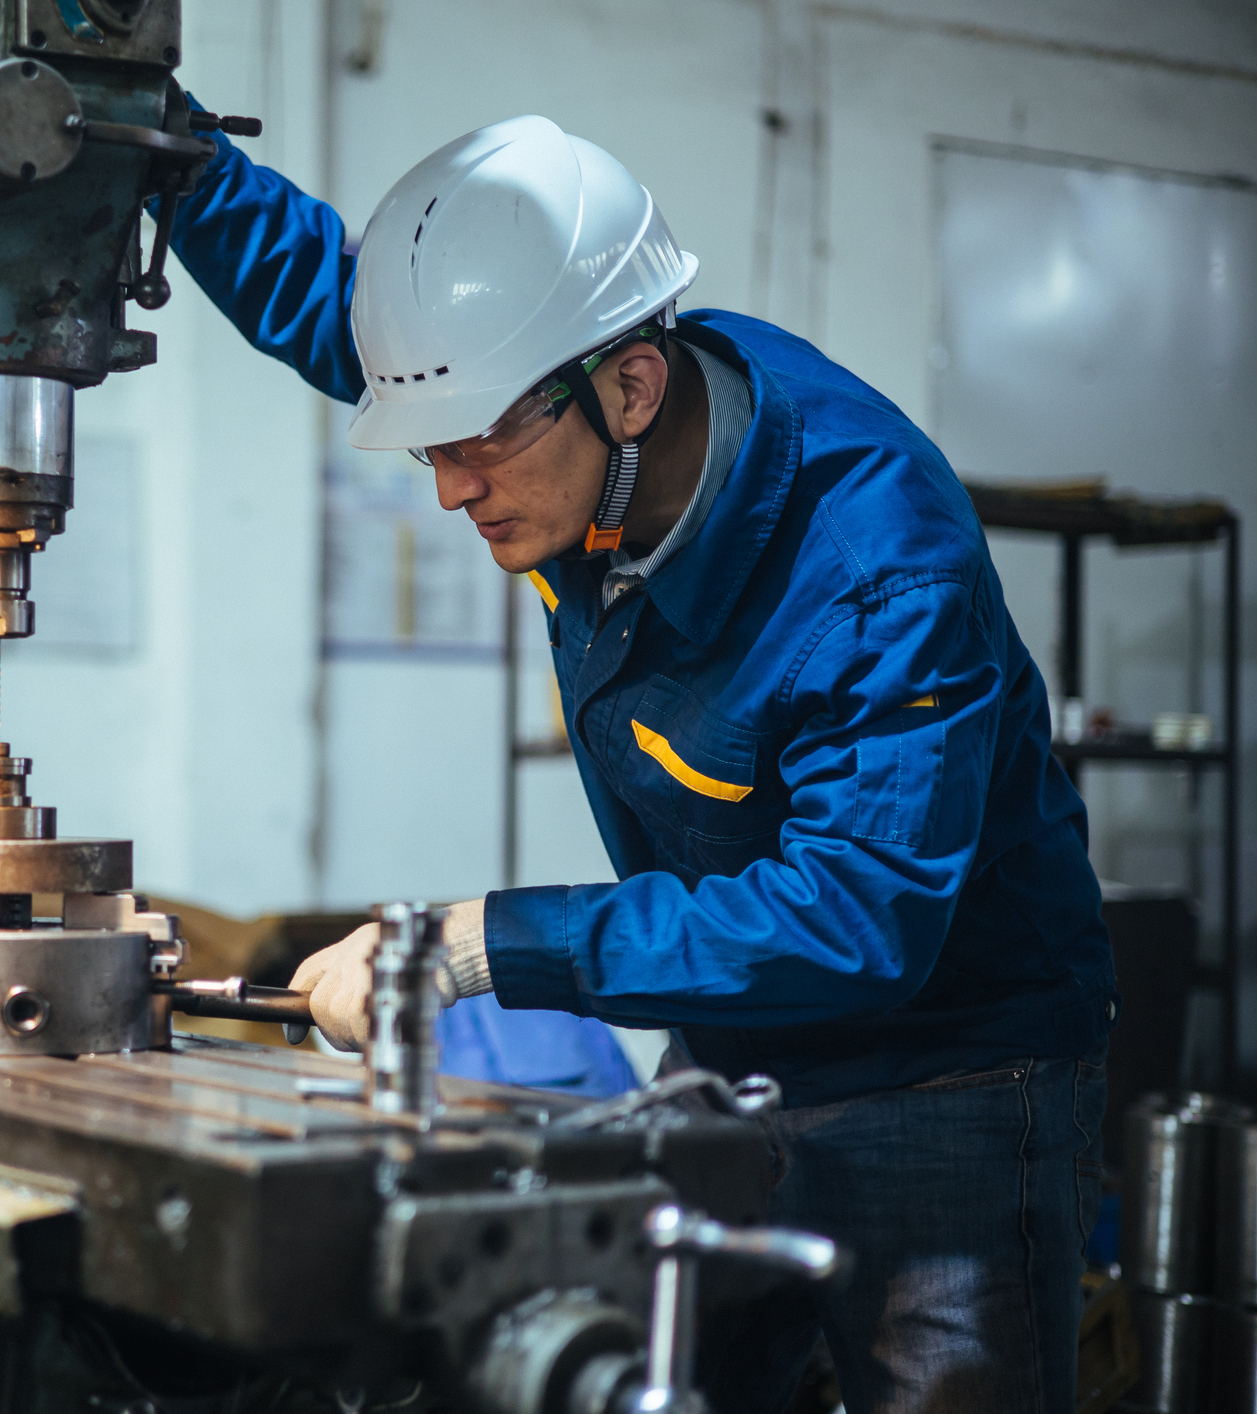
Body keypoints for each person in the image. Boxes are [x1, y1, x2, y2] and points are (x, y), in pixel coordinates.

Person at [164, 109, 1117, 1413]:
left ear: (629, 386)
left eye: (477, 445)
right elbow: (349, 318)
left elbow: (854, 916)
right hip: (737, 1035)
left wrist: (481, 941)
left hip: (951, 1066)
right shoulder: (558, 421)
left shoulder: (878, 561)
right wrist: (167, 166)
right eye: (433, 445)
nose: (449, 490)